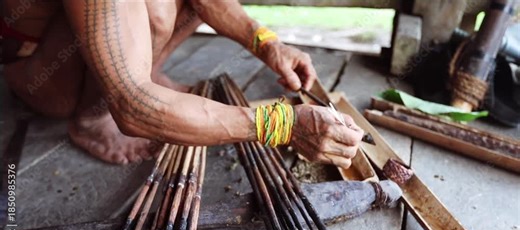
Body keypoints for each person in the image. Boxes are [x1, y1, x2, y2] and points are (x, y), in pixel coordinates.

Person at [2, 0, 363, 168]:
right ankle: (92, 120)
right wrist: (281, 123)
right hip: (43, 79)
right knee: (156, 14)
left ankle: (145, 69)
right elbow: (133, 106)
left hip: (93, 42)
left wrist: (270, 45)